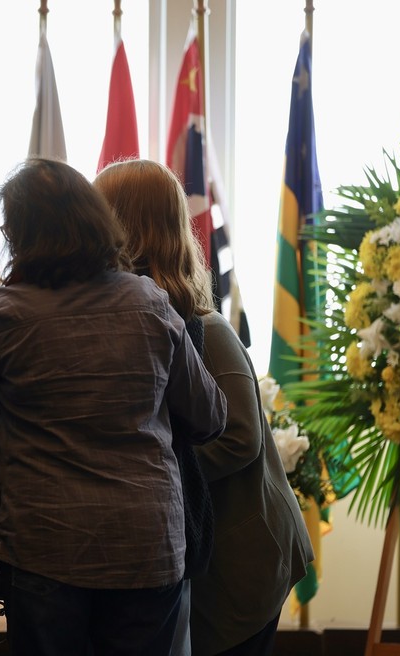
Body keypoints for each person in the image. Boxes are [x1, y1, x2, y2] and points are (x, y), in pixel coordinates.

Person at [0, 157, 228, 656]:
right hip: (148, 548)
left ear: (24, 235)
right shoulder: (151, 302)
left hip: (48, 550)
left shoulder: (10, 310)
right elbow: (210, 417)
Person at [93, 158, 313, 656]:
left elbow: (239, 437)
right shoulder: (147, 320)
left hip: (241, 559)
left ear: (123, 227)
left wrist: (147, 471)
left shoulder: (205, 329)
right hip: (209, 553)